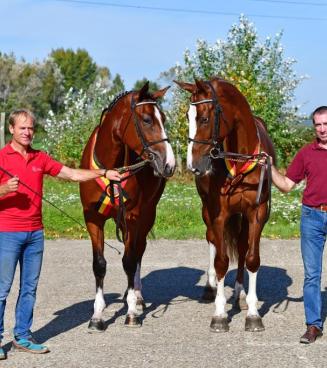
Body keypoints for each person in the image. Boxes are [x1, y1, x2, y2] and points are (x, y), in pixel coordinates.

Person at [0, 109, 122, 359]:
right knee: (2, 288)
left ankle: (22, 336)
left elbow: (71, 174)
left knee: (29, 288)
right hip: (7, 233)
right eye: (22, 128)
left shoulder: (40, 158)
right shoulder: (1, 157)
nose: (27, 132)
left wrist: (103, 173)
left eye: (31, 128)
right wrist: (3, 189)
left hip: (35, 233)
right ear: (11, 129)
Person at [271, 105, 327, 344]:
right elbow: (285, 185)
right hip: (312, 218)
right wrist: (268, 166)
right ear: (313, 126)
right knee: (312, 275)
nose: (323, 129)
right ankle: (313, 326)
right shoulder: (306, 153)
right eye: (318, 125)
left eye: (326, 124)